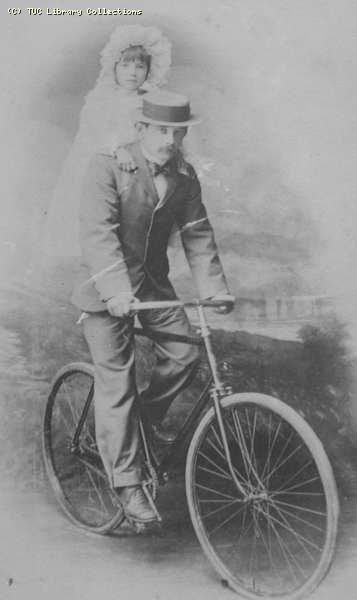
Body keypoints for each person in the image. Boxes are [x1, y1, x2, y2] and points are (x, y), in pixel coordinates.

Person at [71, 90, 235, 524]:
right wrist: (115, 292)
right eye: (161, 129)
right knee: (117, 382)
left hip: (153, 288)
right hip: (106, 292)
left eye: (177, 131)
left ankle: (132, 425)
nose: (169, 139)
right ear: (141, 128)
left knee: (185, 353)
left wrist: (215, 289)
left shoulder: (184, 176)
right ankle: (127, 485)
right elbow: (98, 234)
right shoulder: (108, 165)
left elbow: (198, 235)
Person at [43, 25, 171, 258]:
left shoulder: (150, 103)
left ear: (149, 70)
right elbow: (94, 133)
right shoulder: (100, 99)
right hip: (102, 165)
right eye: (125, 65)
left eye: (140, 66)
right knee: (100, 221)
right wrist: (117, 149)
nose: (132, 72)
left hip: (137, 170)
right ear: (114, 66)